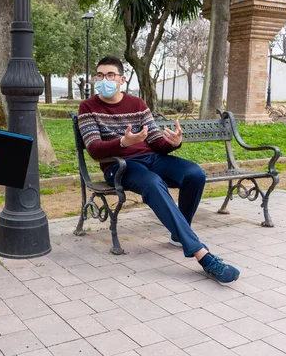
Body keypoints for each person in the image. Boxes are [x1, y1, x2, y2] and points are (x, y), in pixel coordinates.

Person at [77, 56, 240, 285]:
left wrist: (173, 142)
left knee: (194, 173)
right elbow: (94, 149)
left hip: (151, 158)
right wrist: (124, 142)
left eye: (110, 75)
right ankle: (202, 255)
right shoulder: (88, 107)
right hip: (119, 165)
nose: (105, 79)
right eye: (100, 75)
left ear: (122, 79)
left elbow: (155, 140)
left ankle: (179, 234)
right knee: (153, 183)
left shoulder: (138, 104)